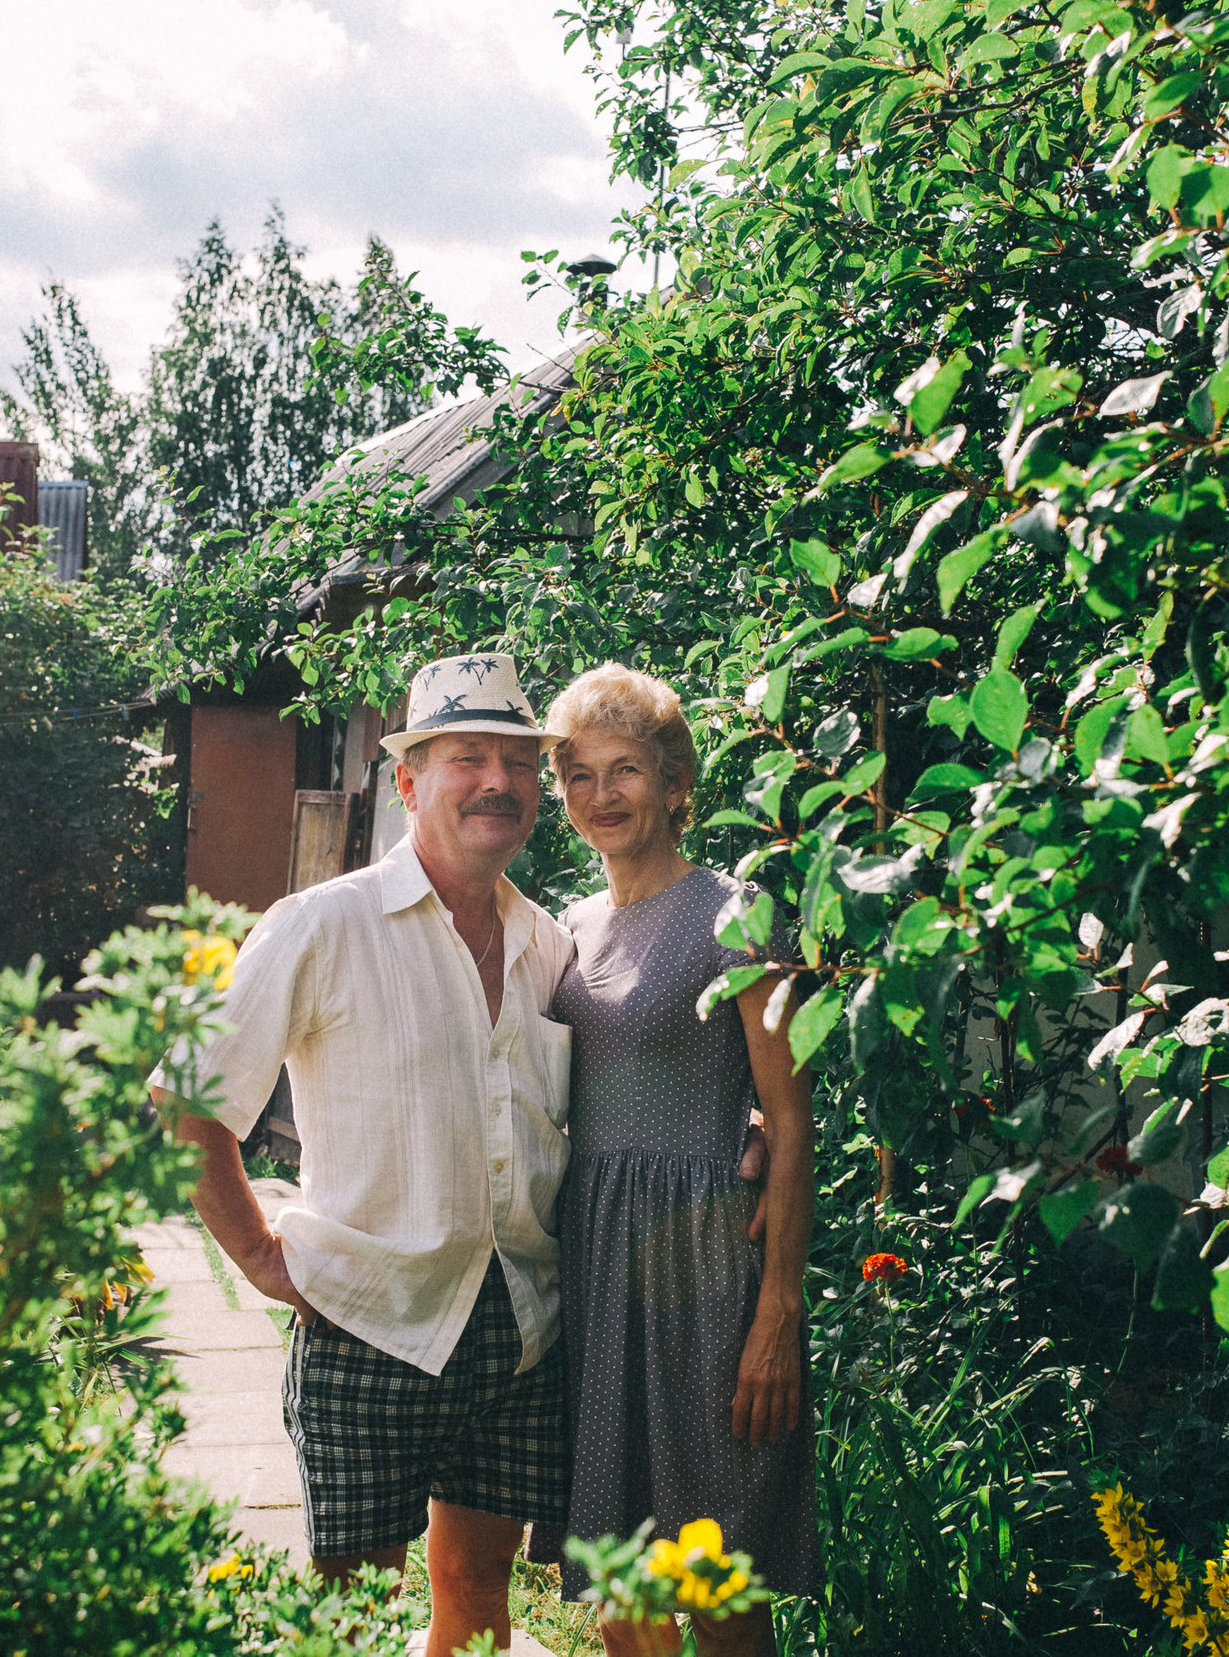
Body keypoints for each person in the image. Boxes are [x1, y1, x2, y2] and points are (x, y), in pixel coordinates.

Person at [163, 652, 574, 1657]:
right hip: (365, 1322)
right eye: (467, 757)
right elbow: (189, 1099)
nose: (498, 781)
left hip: (519, 1329)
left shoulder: (548, 944)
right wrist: (260, 1257)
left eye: (519, 762)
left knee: (478, 1594)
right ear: (409, 782)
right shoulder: (321, 924)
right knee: (352, 1616)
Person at [542, 662, 821, 1657]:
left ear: (673, 783)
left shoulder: (735, 913)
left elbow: (790, 1122)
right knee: (623, 1579)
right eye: (578, 774)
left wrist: (778, 1313)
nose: (601, 794)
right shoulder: (567, 930)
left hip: (705, 1273)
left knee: (714, 1576)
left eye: (624, 769)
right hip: (596, 1270)